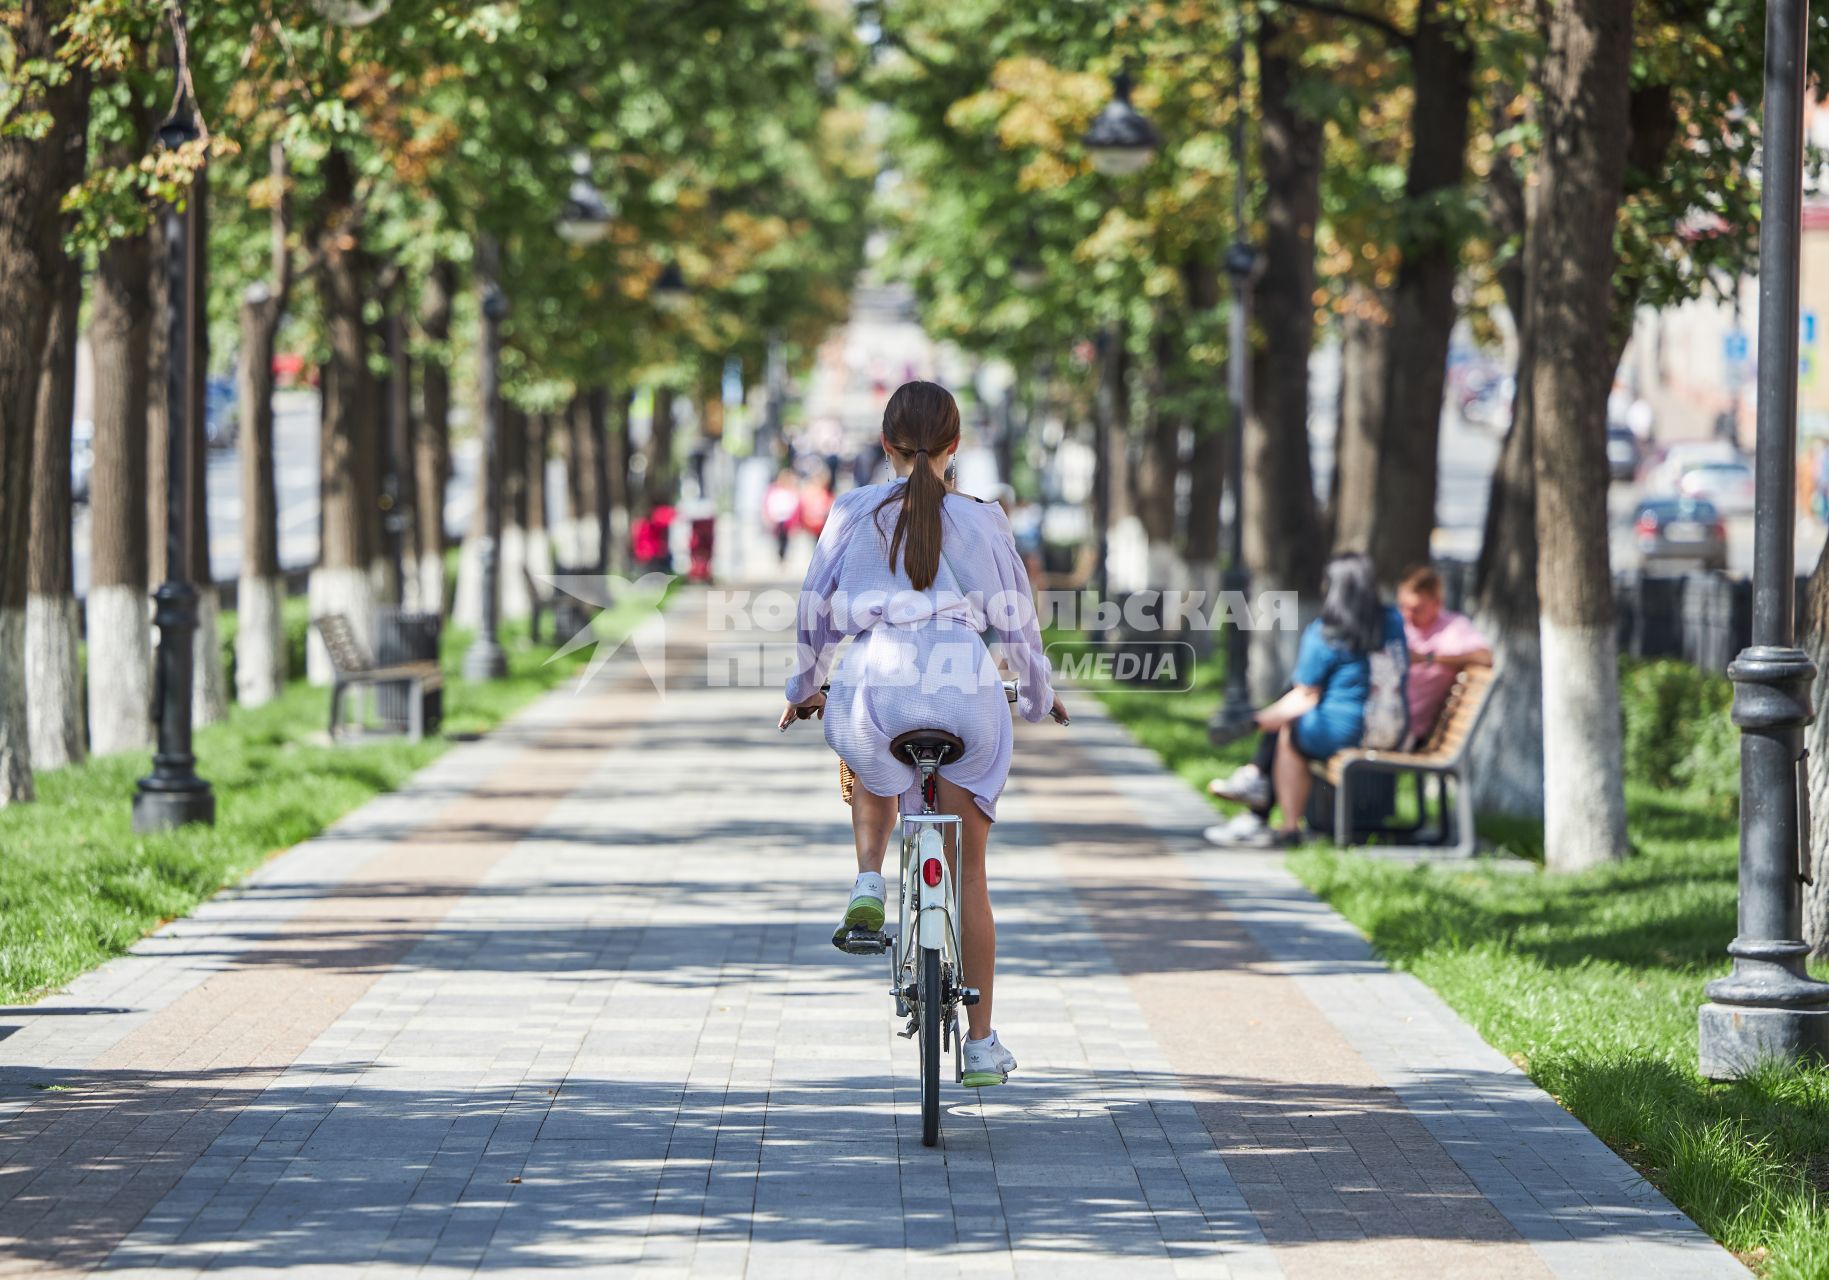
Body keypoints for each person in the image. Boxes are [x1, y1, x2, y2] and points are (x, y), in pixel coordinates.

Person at [779, 381, 1067, 1089]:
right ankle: (980, 1044)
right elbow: (1017, 622)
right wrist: (1039, 694)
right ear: (954, 446)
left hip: (877, 678)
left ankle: (867, 879)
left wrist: (803, 687)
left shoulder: (850, 512)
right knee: (970, 872)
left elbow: (813, 612)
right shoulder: (985, 519)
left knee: (873, 764)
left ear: (883, 445)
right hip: (965, 687)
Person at [1206, 553, 1408, 848]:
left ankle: (1286, 826)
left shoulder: (1327, 632)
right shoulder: (1393, 621)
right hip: (1394, 729)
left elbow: (1304, 697)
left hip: (1346, 731)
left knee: (1289, 729)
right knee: (1292, 707)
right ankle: (1255, 788)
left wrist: (1252, 722)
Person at [1396, 565, 1492, 742]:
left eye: (1416, 609)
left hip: (1407, 729)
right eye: (1403, 607)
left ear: (1437, 604)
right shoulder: (1400, 625)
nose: (1407, 615)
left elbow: (1485, 657)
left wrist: (1427, 658)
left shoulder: (1454, 627)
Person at [763, 470, 801, 562]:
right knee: (778, 539)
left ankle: (783, 556)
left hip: (787, 520)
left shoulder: (791, 490)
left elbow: (796, 505)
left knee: (785, 540)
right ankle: (779, 555)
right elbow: (768, 503)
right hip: (776, 519)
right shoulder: (774, 490)